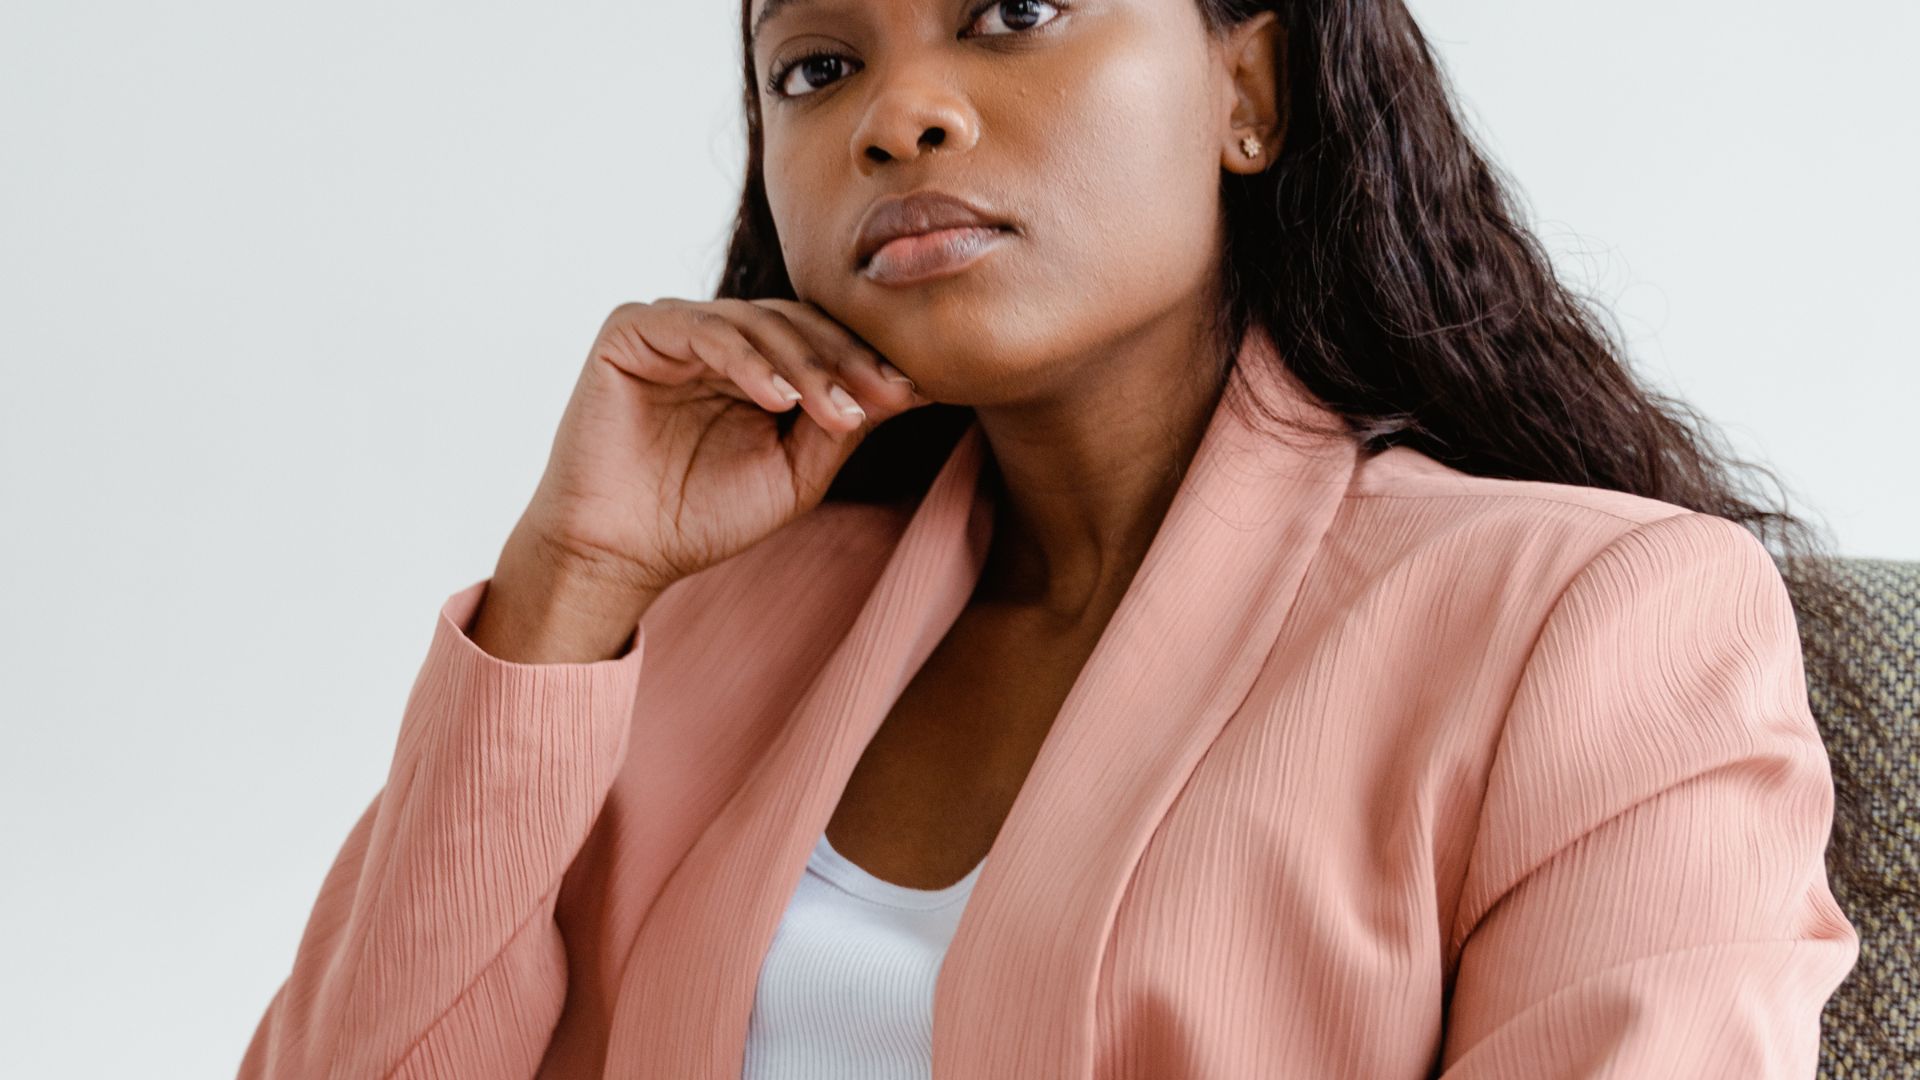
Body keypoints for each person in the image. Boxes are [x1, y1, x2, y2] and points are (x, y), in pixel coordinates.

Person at [237, 1, 1878, 1077]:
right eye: (819, 68)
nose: (903, 116)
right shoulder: (696, 629)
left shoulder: (1591, 617)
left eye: (1015, 11)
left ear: (1248, 85)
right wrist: (570, 585)